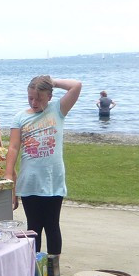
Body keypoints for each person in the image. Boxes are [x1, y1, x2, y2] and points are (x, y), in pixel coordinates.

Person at [5, 75, 82, 264]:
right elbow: (14, 147)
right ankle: (35, 270)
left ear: (49, 96)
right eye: (30, 97)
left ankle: (53, 272)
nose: (34, 102)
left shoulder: (58, 109)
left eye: (39, 98)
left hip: (52, 180)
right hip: (30, 181)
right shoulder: (20, 117)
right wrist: (9, 174)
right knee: (34, 226)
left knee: (52, 225)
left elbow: (76, 86)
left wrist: (51, 81)